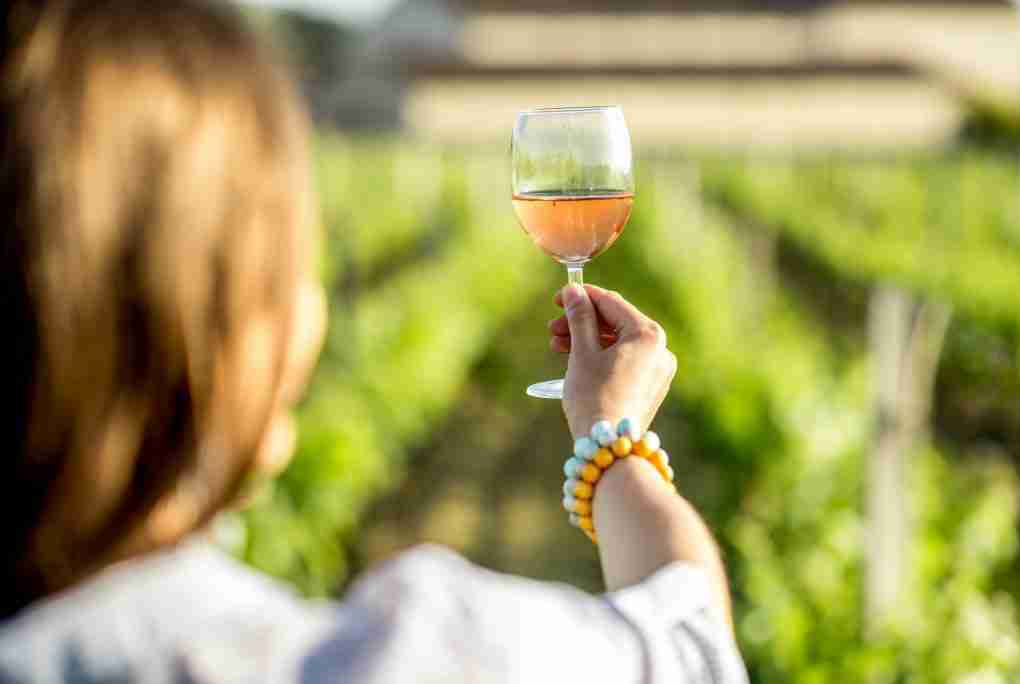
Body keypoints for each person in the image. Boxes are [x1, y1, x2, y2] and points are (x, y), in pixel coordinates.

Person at [0, 1, 748, 682]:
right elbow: (690, 645)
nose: (312, 309)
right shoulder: (397, 659)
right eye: (288, 266)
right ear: (205, 335)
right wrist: (612, 442)